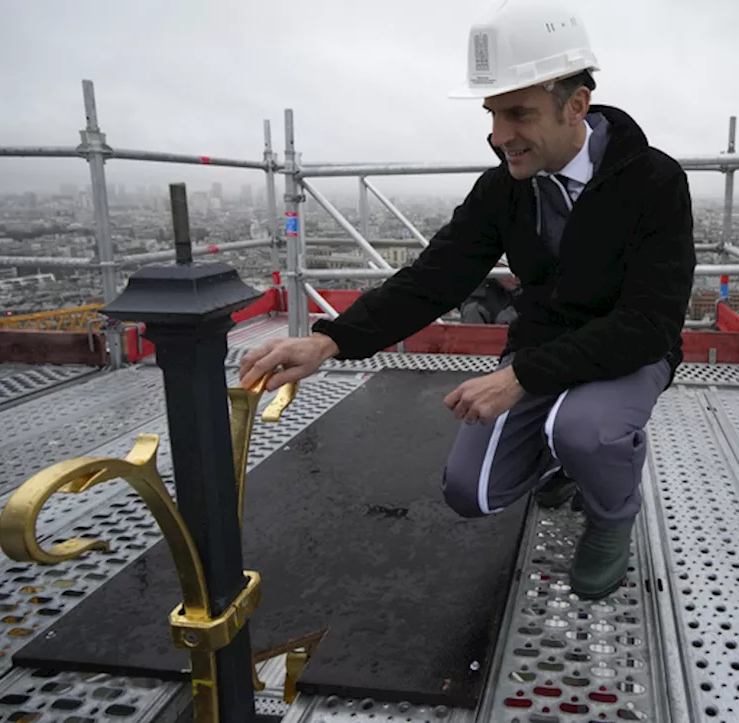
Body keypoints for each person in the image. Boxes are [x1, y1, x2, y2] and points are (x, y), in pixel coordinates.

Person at [240, 0, 695, 600]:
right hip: (546, 348)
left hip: (630, 353)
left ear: (576, 105)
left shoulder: (654, 182)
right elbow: (438, 275)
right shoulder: (504, 187)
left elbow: (648, 324)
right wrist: (332, 339)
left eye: (518, 114)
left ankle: (612, 515)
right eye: (492, 113)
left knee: (586, 429)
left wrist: (520, 378)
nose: (498, 136)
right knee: (470, 492)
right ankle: (563, 462)